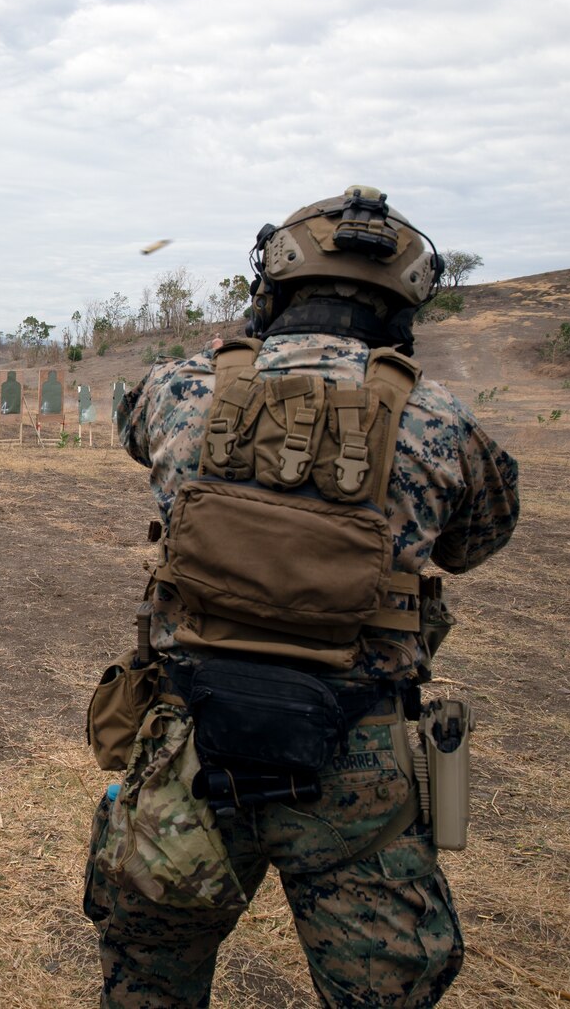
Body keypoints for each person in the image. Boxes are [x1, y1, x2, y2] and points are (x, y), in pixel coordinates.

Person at [86, 186, 519, 1007]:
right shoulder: (444, 422)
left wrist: (238, 355)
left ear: (272, 290)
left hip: (187, 746)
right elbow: (477, 542)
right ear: (404, 310)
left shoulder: (184, 388)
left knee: (149, 978)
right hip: (356, 756)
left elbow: (130, 420)